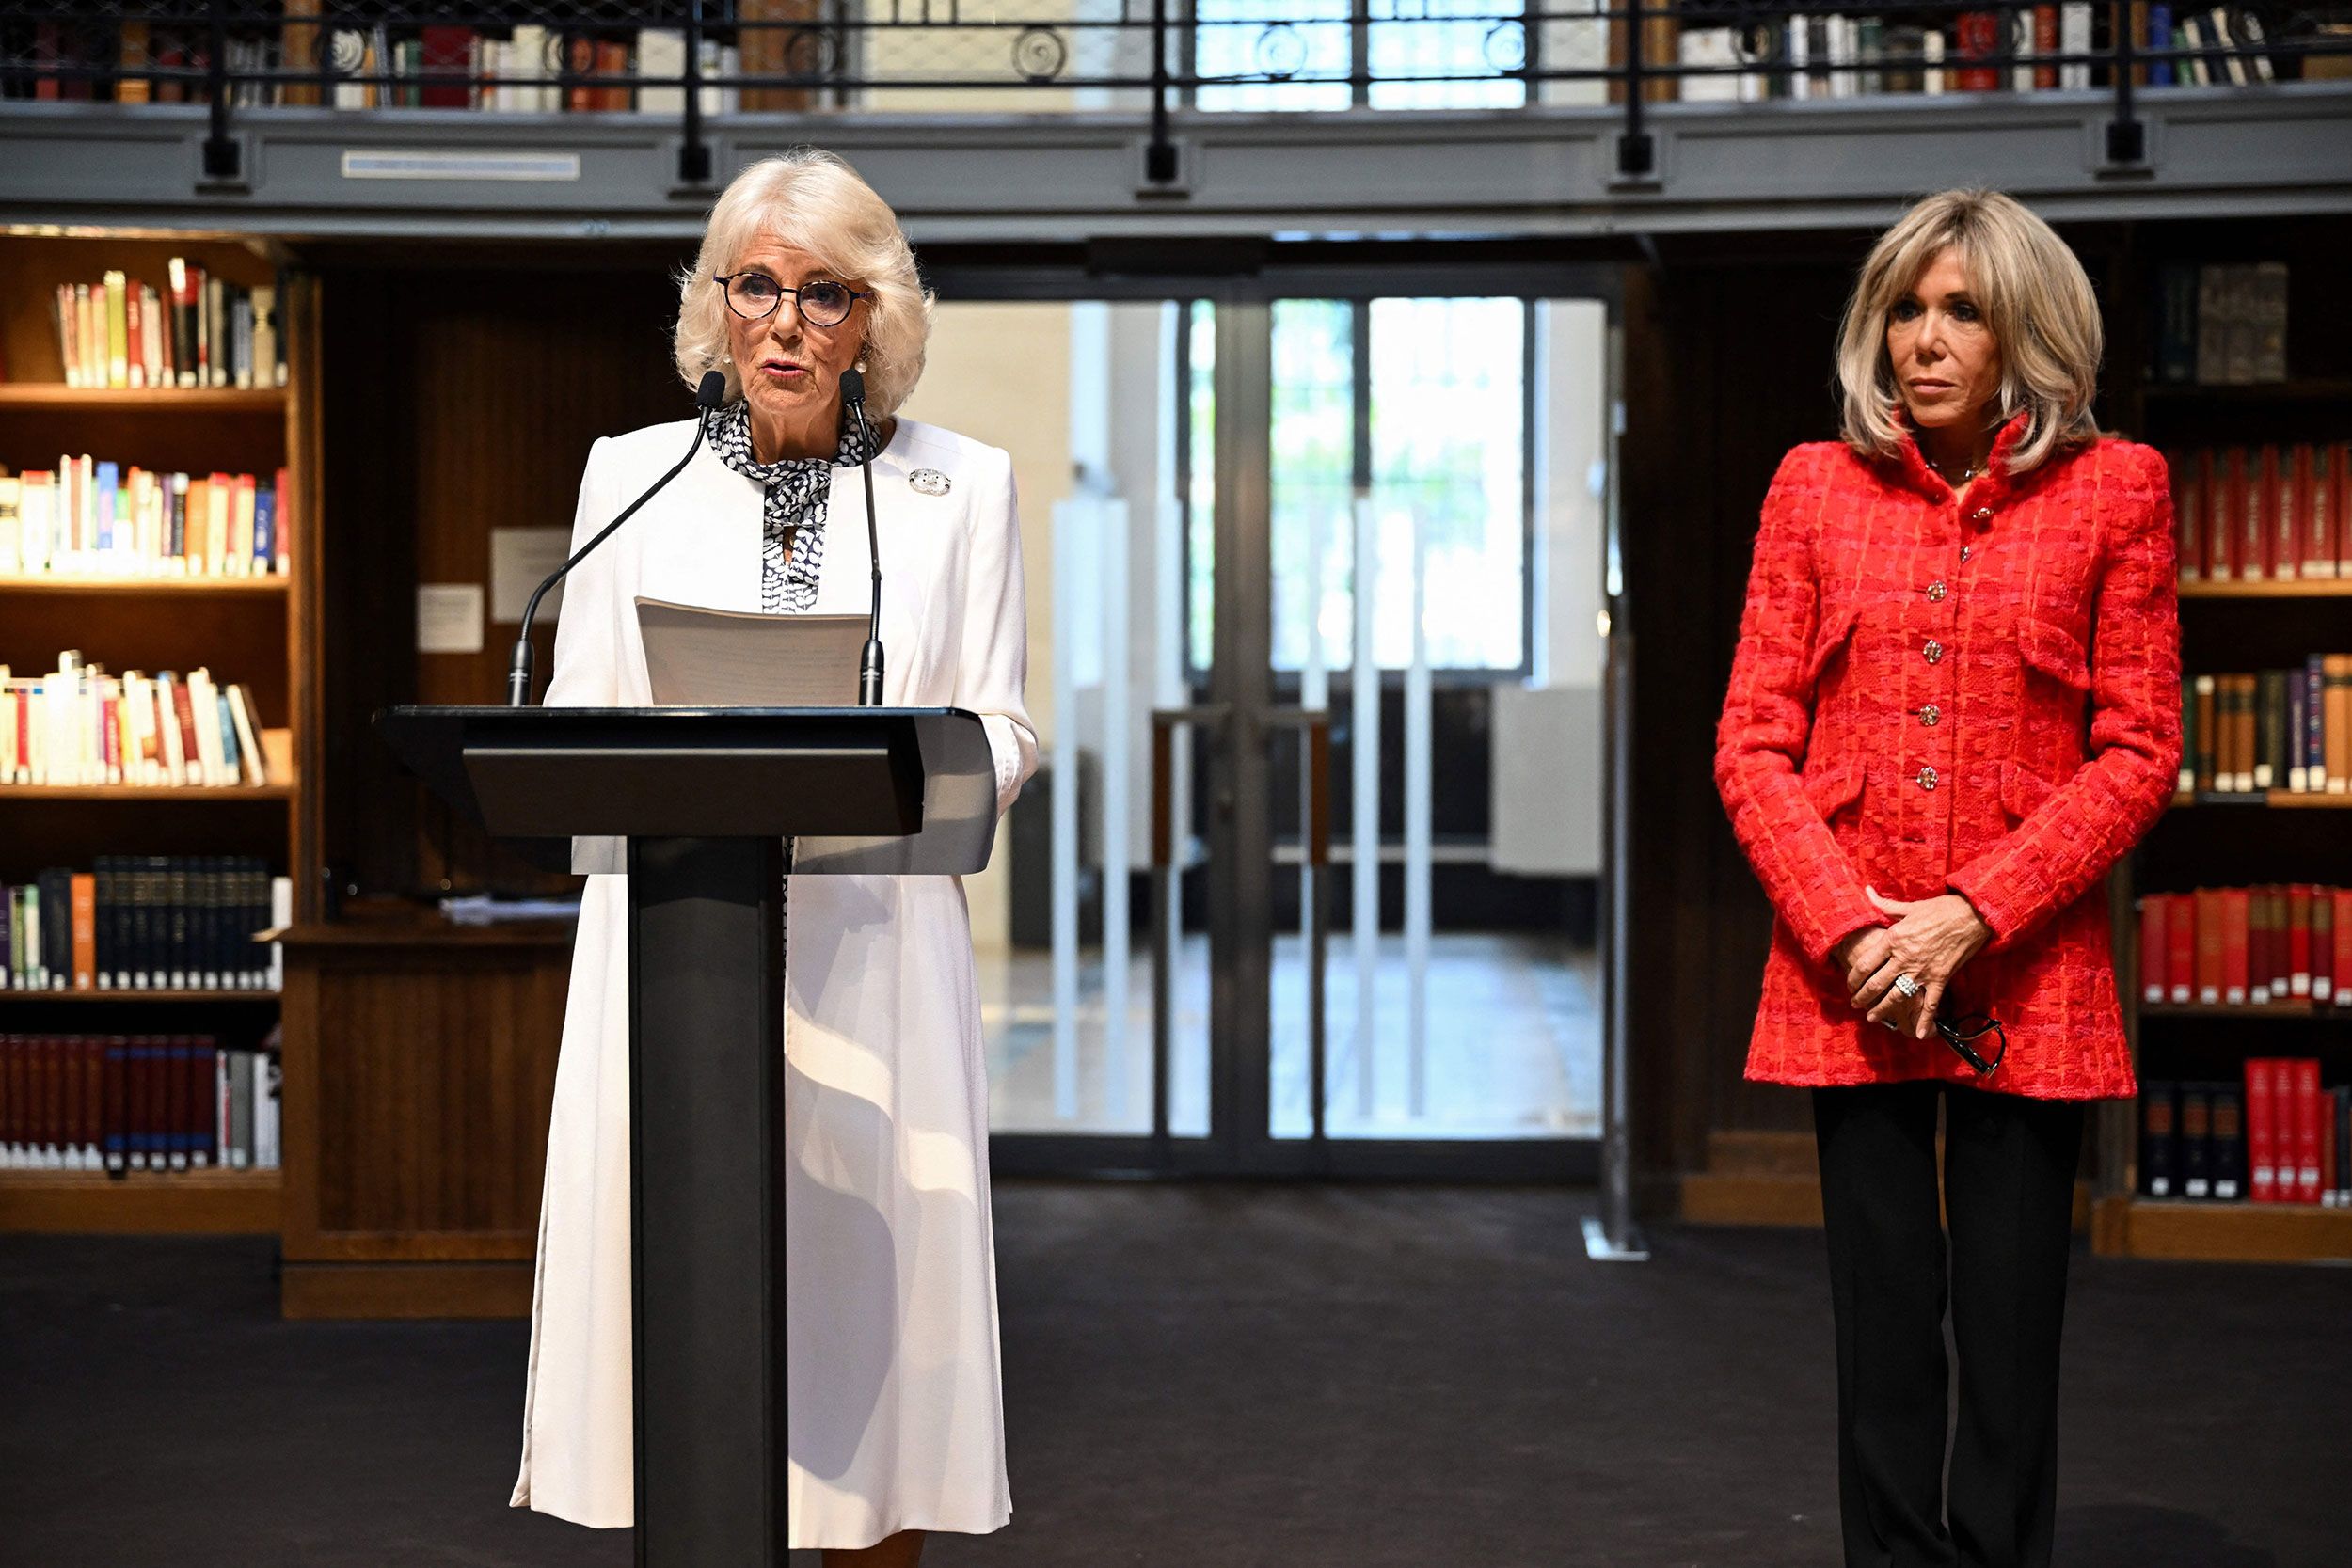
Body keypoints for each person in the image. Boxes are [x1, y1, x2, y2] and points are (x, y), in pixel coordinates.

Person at [511, 149, 1036, 1567]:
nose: (787, 321)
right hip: (674, 945)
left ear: (876, 321)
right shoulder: (629, 479)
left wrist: (909, 759)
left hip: (875, 949)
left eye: (825, 292)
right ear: (716, 307)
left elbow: (1003, 723)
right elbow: (574, 723)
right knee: (684, 1307)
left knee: (876, 1344)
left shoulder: (960, 489)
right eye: (758, 286)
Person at [1714, 188, 2180, 1568]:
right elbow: (1751, 742)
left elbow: (2140, 751)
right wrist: (1855, 928)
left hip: (2027, 980)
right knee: (1883, 1323)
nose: (1925, 340)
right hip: (1846, 973)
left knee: (2011, 1326)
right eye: (1907, 309)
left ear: (2026, 329)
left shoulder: (2119, 491)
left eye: (1961, 310)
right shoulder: (1814, 486)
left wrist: (1972, 914)